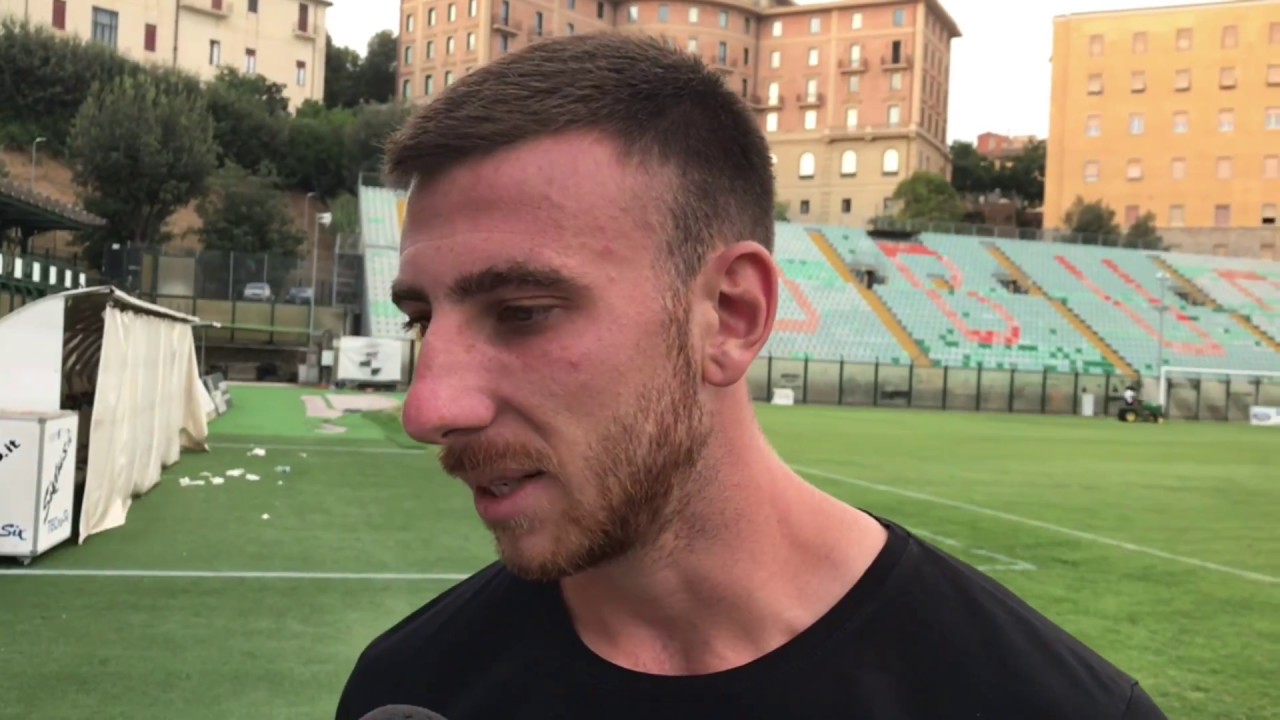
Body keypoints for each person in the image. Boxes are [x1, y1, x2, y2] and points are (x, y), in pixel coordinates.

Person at [335, 32, 1166, 720]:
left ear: (731, 315)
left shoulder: (1047, 704)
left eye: (522, 312)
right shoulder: (411, 689)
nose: (428, 408)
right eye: (421, 319)